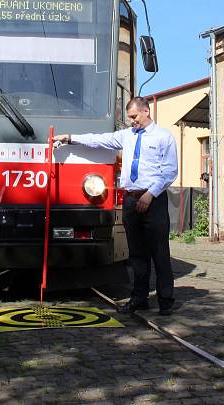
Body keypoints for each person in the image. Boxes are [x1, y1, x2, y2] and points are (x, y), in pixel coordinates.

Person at [54, 97, 178, 315]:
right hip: (131, 200)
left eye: (134, 117)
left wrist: (150, 194)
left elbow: (170, 171)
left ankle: (166, 300)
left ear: (146, 111)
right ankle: (139, 298)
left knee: (159, 252)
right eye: (129, 118)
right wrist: (70, 138)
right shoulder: (126, 136)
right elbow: (99, 140)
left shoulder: (164, 137)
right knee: (137, 254)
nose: (132, 122)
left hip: (153, 200)